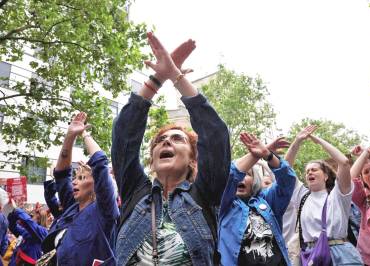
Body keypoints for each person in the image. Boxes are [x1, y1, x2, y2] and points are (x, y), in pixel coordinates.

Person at [112, 32, 230, 266]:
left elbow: (215, 135)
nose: (166, 142)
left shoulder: (205, 194)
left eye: (177, 139)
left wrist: (176, 77)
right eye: (160, 141)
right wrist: (157, 79)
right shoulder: (135, 191)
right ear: (153, 162)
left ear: (193, 161)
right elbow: (124, 135)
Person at [40, 112, 119, 265]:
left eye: (82, 178)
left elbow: (101, 162)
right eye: (75, 178)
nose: (74, 182)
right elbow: (62, 174)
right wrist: (70, 136)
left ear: (98, 186)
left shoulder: (104, 210)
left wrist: (84, 134)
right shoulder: (72, 207)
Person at [284, 125, 363, 265]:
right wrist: (297, 141)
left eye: (314, 170)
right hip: (312, 255)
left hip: (341, 255)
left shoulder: (338, 195)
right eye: (307, 171)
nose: (309, 173)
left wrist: (318, 140)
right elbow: (284, 169)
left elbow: (344, 162)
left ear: (326, 176)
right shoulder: (301, 195)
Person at [218, 132, 295, 266]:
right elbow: (230, 176)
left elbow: (288, 181)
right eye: (241, 173)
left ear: (254, 180)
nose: (241, 177)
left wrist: (268, 155)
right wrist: (255, 155)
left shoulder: (266, 200)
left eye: (247, 174)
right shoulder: (223, 205)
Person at [6, 200, 48, 266]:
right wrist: (14, 213)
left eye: (34, 214)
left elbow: (29, 222)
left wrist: (18, 210)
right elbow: (12, 226)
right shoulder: (26, 231)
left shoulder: (43, 232)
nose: (32, 216)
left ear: (39, 218)